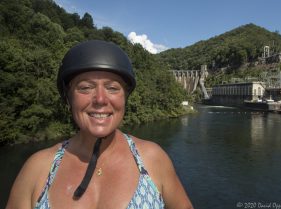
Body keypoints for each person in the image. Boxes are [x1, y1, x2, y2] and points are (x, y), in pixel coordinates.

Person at [6, 40, 194, 209]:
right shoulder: (38, 169)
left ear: (124, 97)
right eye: (85, 87)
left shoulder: (152, 159)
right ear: (68, 98)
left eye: (112, 88)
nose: (100, 99)